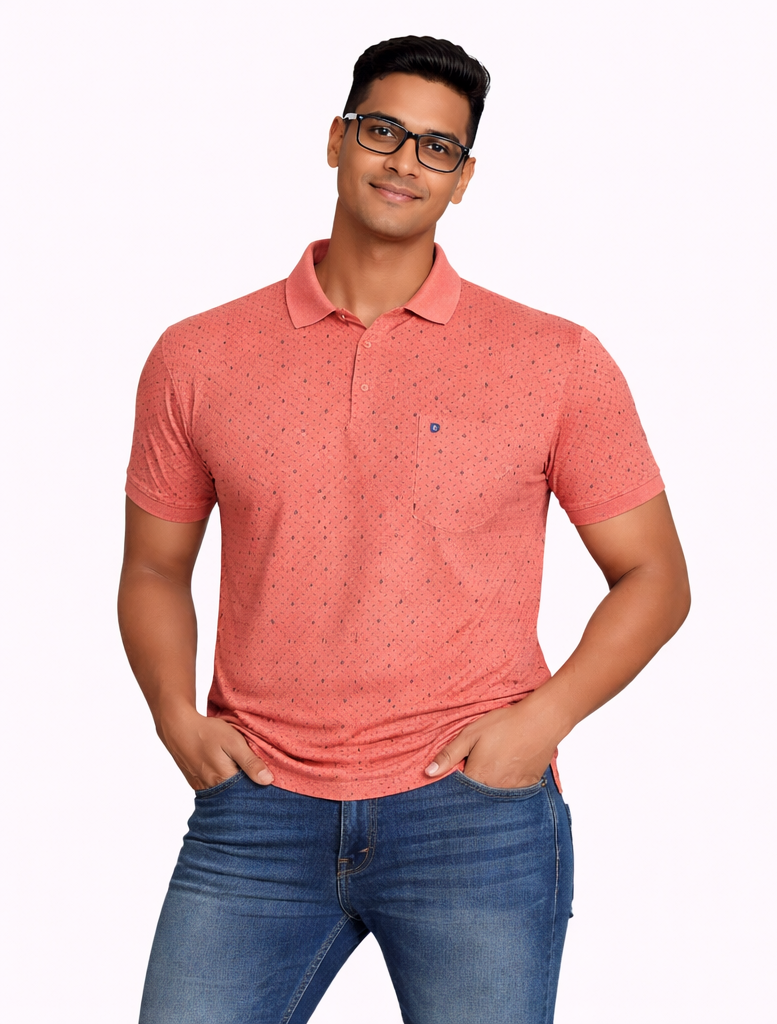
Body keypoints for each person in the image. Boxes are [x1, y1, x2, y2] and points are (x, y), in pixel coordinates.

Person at [119, 35, 690, 1024]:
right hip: (257, 805)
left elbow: (655, 577)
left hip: (472, 813)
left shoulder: (553, 358)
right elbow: (154, 568)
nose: (405, 162)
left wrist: (541, 724)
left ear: (463, 179)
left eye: (437, 147)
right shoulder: (198, 354)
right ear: (336, 140)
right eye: (383, 131)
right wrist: (175, 715)